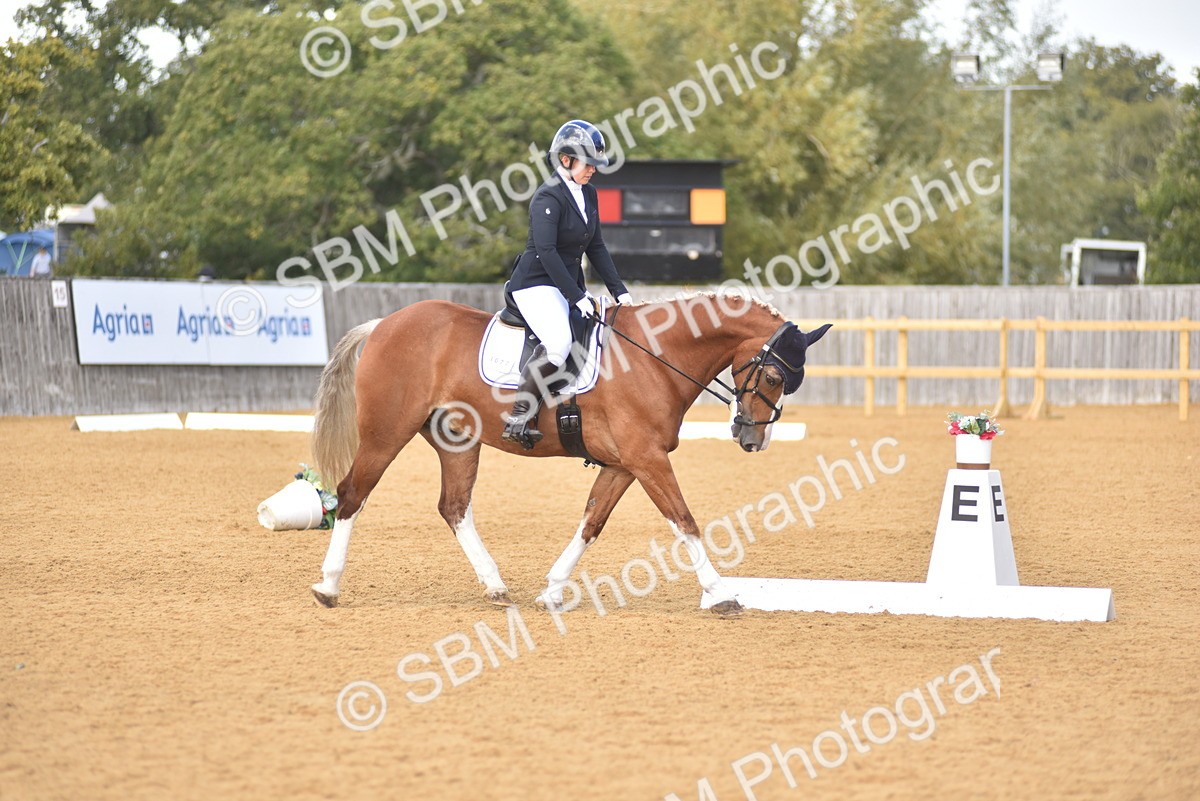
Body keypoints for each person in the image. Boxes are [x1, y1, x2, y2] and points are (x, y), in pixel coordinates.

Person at [501, 119, 633, 449]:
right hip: (535, 284)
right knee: (559, 344)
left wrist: (621, 291)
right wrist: (576, 296)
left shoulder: (588, 193)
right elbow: (546, 252)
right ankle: (519, 415)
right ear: (565, 160)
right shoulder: (548, 197)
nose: (593, 170)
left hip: (565, 285)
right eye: (588, 163)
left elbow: (596, 246)